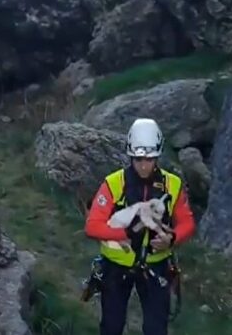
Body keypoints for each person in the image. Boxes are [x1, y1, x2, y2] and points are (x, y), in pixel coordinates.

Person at [84, 118, 196, 335]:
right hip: (116, 266)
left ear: (158, 156)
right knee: (111, 327)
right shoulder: (114, 183)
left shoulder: (173, 185)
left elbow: (187, 223)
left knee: (156, 330)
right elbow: (92, 226)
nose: (144, 165)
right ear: (130, 156)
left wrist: (171, 239)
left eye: (149, 159)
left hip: (157, 266)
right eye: (138, 159)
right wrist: (123, 233)